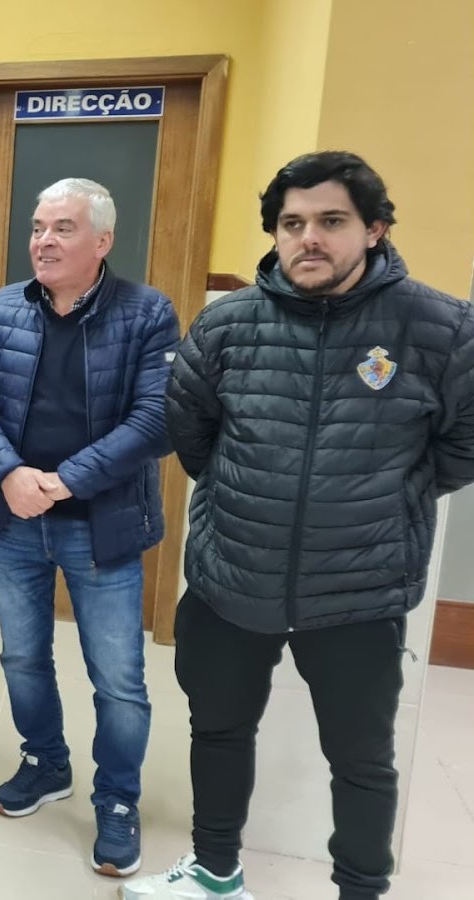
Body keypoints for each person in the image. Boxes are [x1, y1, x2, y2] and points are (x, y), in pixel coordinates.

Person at [124, 151, 474, 900]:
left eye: (331, 221)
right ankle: (216, 872)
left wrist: (385, 499)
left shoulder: (440, 327)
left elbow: (462, 444)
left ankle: (359, 891)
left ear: (375, 229)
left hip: (358, 591)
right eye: (292, 224)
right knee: (219, 731)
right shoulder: (227, 325)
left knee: (361, 760)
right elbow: (193, 433)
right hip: (233, 576)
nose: (308, 238)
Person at [0, 177, 178, 877]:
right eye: (38, 227)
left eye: (63, 228)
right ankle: (46, 762)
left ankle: (117, 798)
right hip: (16, 520)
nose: (43, 241)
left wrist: (66, 479)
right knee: (22, 657)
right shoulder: (4, 308)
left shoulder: (147, 313)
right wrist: (9, 473)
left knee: (118, 678)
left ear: (103, 241)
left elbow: (157, 419)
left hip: (102, 526)